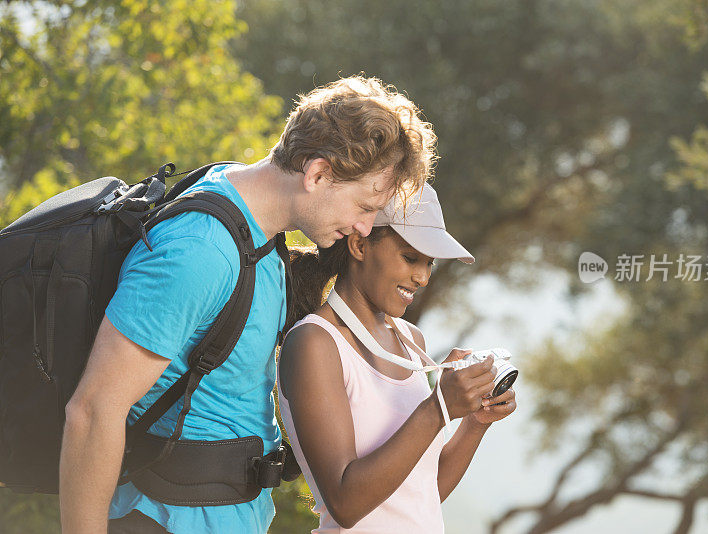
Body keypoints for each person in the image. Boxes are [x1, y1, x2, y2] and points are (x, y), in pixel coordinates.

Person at [58, 75, 437, 534]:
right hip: (166, 518)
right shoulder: (200, 248)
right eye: (364, 205)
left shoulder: (257, 230)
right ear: (317, 174)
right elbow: (93, 411)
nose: (364, 228)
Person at [278, 184, 518, 532]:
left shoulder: (411, 340)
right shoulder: (314, 342)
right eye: (410, 258)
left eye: (429, 263)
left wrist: (474, 422)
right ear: (359, 245)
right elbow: (345, 503)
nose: (421, 277)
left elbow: (421, 492)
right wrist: (438, 407)